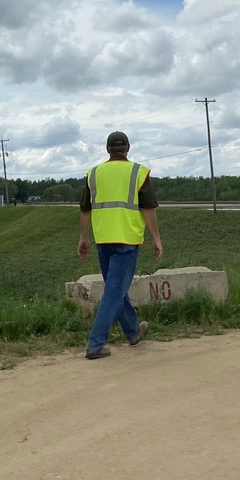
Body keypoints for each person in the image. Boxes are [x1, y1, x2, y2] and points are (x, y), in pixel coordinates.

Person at [77, 131, 163, 359]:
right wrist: (156, 238)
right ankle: (95, 344)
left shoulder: (93, 174)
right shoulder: (138, 172)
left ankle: (133, 331)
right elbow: (148, 209)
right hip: (126, 240)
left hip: (102, 240)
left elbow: (86, 209)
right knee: (114, 292)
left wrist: (83, 238)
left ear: (107, 149)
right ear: (127, 148)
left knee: (116, 290)